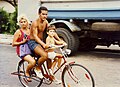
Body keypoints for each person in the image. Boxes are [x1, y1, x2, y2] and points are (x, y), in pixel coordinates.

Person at [27, 6, 50, 78]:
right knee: (44, 55)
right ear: (39, 14)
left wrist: (58, 41)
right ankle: (37, 68)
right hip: (33, 42)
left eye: (46, 14)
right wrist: (43, 44)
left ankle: (50, 74)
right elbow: (35, 36)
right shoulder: (35, 23)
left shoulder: (46, 22)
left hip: (40, 42)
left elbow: (50, 32)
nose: (45, 16)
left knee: (50, 56)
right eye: (43, 14)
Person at [12, 14, 36, 82]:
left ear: (27, 22)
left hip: (31, 48)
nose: (23, 23)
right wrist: (22, 42)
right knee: (32, 62)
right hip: (23, 51)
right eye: (21, 22)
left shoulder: (29, 30)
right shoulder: (18, 32)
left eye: (24, 21)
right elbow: (13, 44)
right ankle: (27, 72)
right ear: (19, 23)